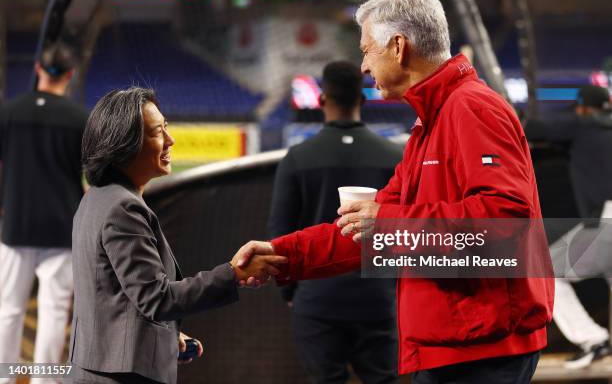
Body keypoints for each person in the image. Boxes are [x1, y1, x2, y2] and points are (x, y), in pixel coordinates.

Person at [238, 0, 554, 384]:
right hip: (454, 342)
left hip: (480, 348)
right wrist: (282, 255)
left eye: (367, 50)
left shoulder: (472, 108)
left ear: (398, 47)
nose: (364, 66)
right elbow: (364, 232)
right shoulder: (431, 122)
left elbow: (505, 223)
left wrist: (389, 224)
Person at [69, 87, 286, 384]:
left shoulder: (98, 198)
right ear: (125, 145)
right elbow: (155, 299)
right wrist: (233, 274)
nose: (170, 140)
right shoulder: (124, 208)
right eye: (158, 132)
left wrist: (162, 336)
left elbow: (112, 295)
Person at [269, 61, 401, 384]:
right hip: (379, 298)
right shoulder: (395, 156)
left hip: (318, 301)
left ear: (322, 100)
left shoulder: (297, 158)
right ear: (363, 100)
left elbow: (280, 233)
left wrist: (290, 293)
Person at [0, 43, 87, 384]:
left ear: (38, 68)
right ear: (70, 74)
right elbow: (93, 177)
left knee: (8, 309)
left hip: (15, 225)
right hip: (62, 227)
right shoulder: (79, 119)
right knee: (53, 313)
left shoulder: (8, 112)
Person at [525, 84, 612, 368]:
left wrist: (509, 110)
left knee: (543, 273)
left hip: (608, 218)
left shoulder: (583, 124)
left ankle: (593, 340)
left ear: (584, 108)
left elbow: (534, 129)